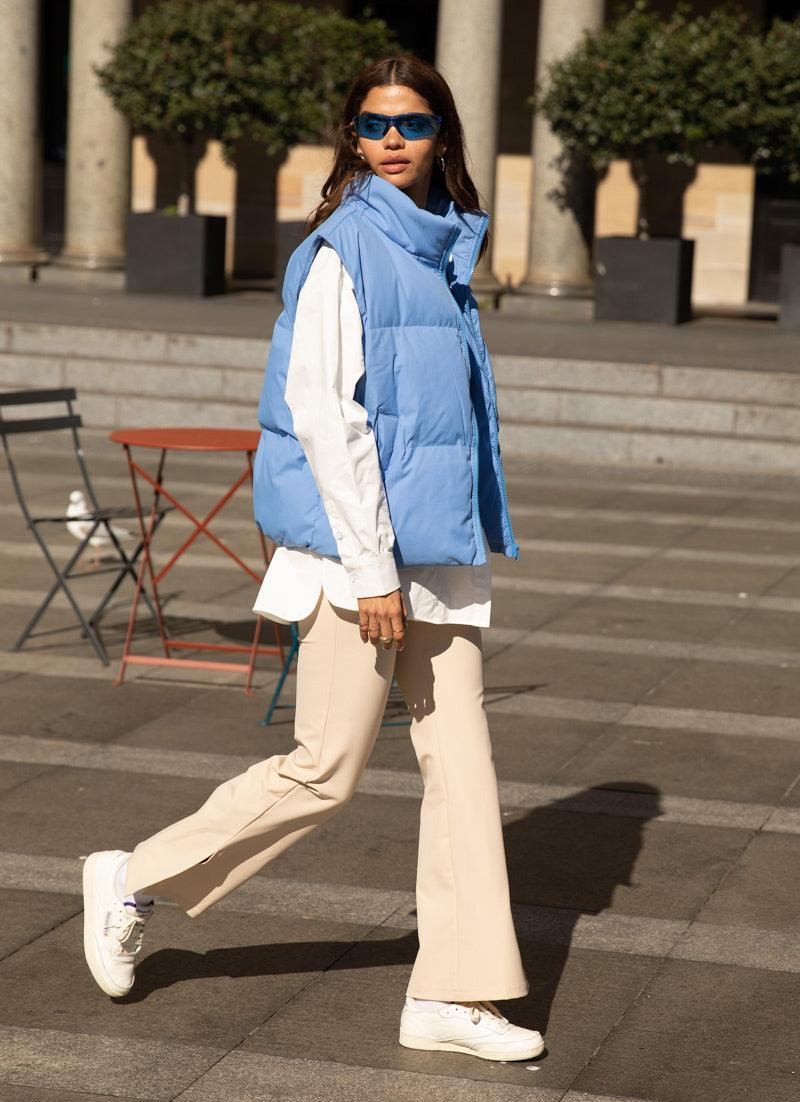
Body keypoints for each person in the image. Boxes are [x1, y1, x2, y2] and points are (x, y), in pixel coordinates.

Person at [82, 54, 544, 1064]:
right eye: (374, 124)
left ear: (442, 135)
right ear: (352, 136)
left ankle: (451, 991)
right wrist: (371, 568)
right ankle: (133, 878)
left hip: (438, 552)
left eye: (412, 123)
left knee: (464, 770)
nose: (392, 140)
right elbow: (323, 416)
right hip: (360, 558)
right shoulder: (344, 249)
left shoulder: (443, 245)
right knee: (326, 770)